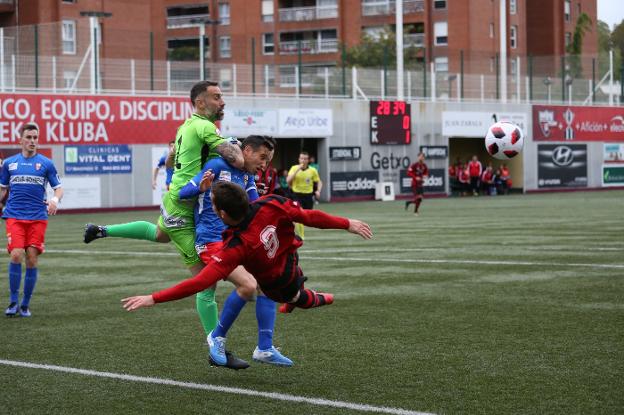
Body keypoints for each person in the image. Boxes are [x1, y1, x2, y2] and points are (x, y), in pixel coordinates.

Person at [84, 80, 247, 368]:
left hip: (178, 202)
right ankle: (215, 347)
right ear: (200, 102)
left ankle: (102, 230)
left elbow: (172, 159)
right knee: (205, 283)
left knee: (159, 234)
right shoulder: (205, 127)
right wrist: (242, 154)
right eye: (217, 97)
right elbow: (238, 159)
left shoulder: (185, 126)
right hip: (184, 211)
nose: (223, 102)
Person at [121, 181, 373, 365]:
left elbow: (200, 282)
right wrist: (347, 223)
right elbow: (308, 216)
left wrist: (154, 297)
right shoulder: (272, 202)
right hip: (293, 260)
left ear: (222, 214)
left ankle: (316, 300)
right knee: (270, 289)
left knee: (298, 298)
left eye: (212, 205)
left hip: (279, 284)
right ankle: (263, 343)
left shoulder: (236, 247)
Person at [179, 135, 293, 367]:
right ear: (247, 151)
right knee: (248, 285)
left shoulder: (248, 175)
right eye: (262, 157)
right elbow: (182, 192)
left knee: (267, 282)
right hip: (211, 241)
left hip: (236, 241)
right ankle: (216, 337)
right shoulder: (217, 167)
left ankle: (264, 347)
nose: (264, 165)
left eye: (268, 160)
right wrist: (200, 188)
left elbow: (254, 207)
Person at [0, 123, 63, 317]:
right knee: (16, 255)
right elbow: (2, 189)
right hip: (14, 216)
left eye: (35, 137)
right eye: (29, 137)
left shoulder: (46, 164)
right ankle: (12, 302)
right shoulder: (9, 164)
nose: (33, 141)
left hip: (37, 218)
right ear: (21, 140)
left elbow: (58, 188)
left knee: (32, 259)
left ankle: (25, 304)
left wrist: (54, 199)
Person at [286, 152, 322, 238]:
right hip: (296, 195)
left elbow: (319, 182)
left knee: (307, 217)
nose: (303, 160)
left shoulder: (313, 170)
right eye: (301, 158)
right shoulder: (294, 168)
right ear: (299, 159)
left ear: (308, 160)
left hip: (308, 195)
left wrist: (318, 191)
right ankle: (301, 237)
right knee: (299, 214)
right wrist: (297, 170)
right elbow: (288, 180)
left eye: (305, 159)